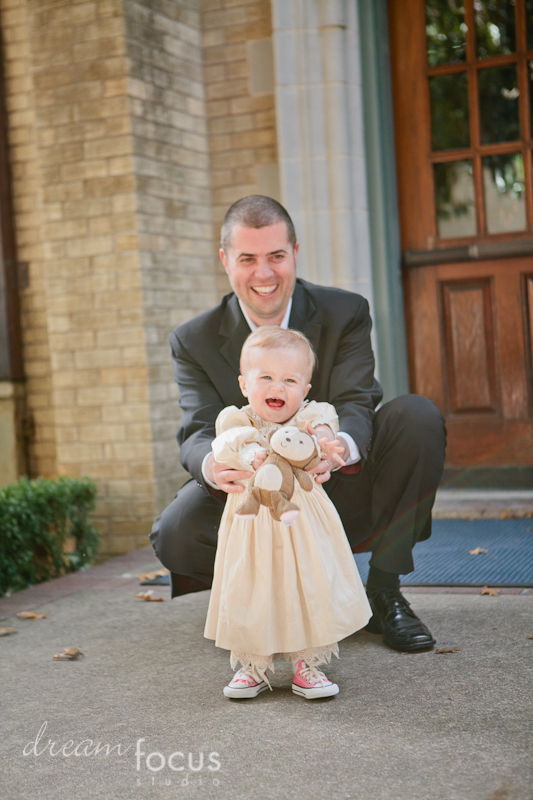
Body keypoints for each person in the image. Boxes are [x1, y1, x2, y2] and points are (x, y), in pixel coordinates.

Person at [150, 195, 447, 653]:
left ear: (295, 253)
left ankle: (385, 590)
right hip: (254, 501)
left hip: (335, 487)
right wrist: (215, 466)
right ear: (226, 260)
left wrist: (338, 446)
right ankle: (265, 601)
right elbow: (198, 431)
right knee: (176, 530)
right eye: (248, 258)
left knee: (417, 417)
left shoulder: (344, 311)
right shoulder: (193, 340)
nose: (264, 274)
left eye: (276, 256)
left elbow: (355, 399)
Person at [205, 326, 372, 699]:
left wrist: (324, 442)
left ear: (305, 390)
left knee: (306, 582)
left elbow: (325, 428)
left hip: (302, 522)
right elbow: (227, 446)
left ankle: (305, 665)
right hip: (252, 523)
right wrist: (252, 455)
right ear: (245, 384)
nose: (277, 387)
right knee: (251, 583)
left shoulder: (310, 417)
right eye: (265, 377)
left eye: (290, 379)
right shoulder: (238, 420)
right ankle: (253, 664)